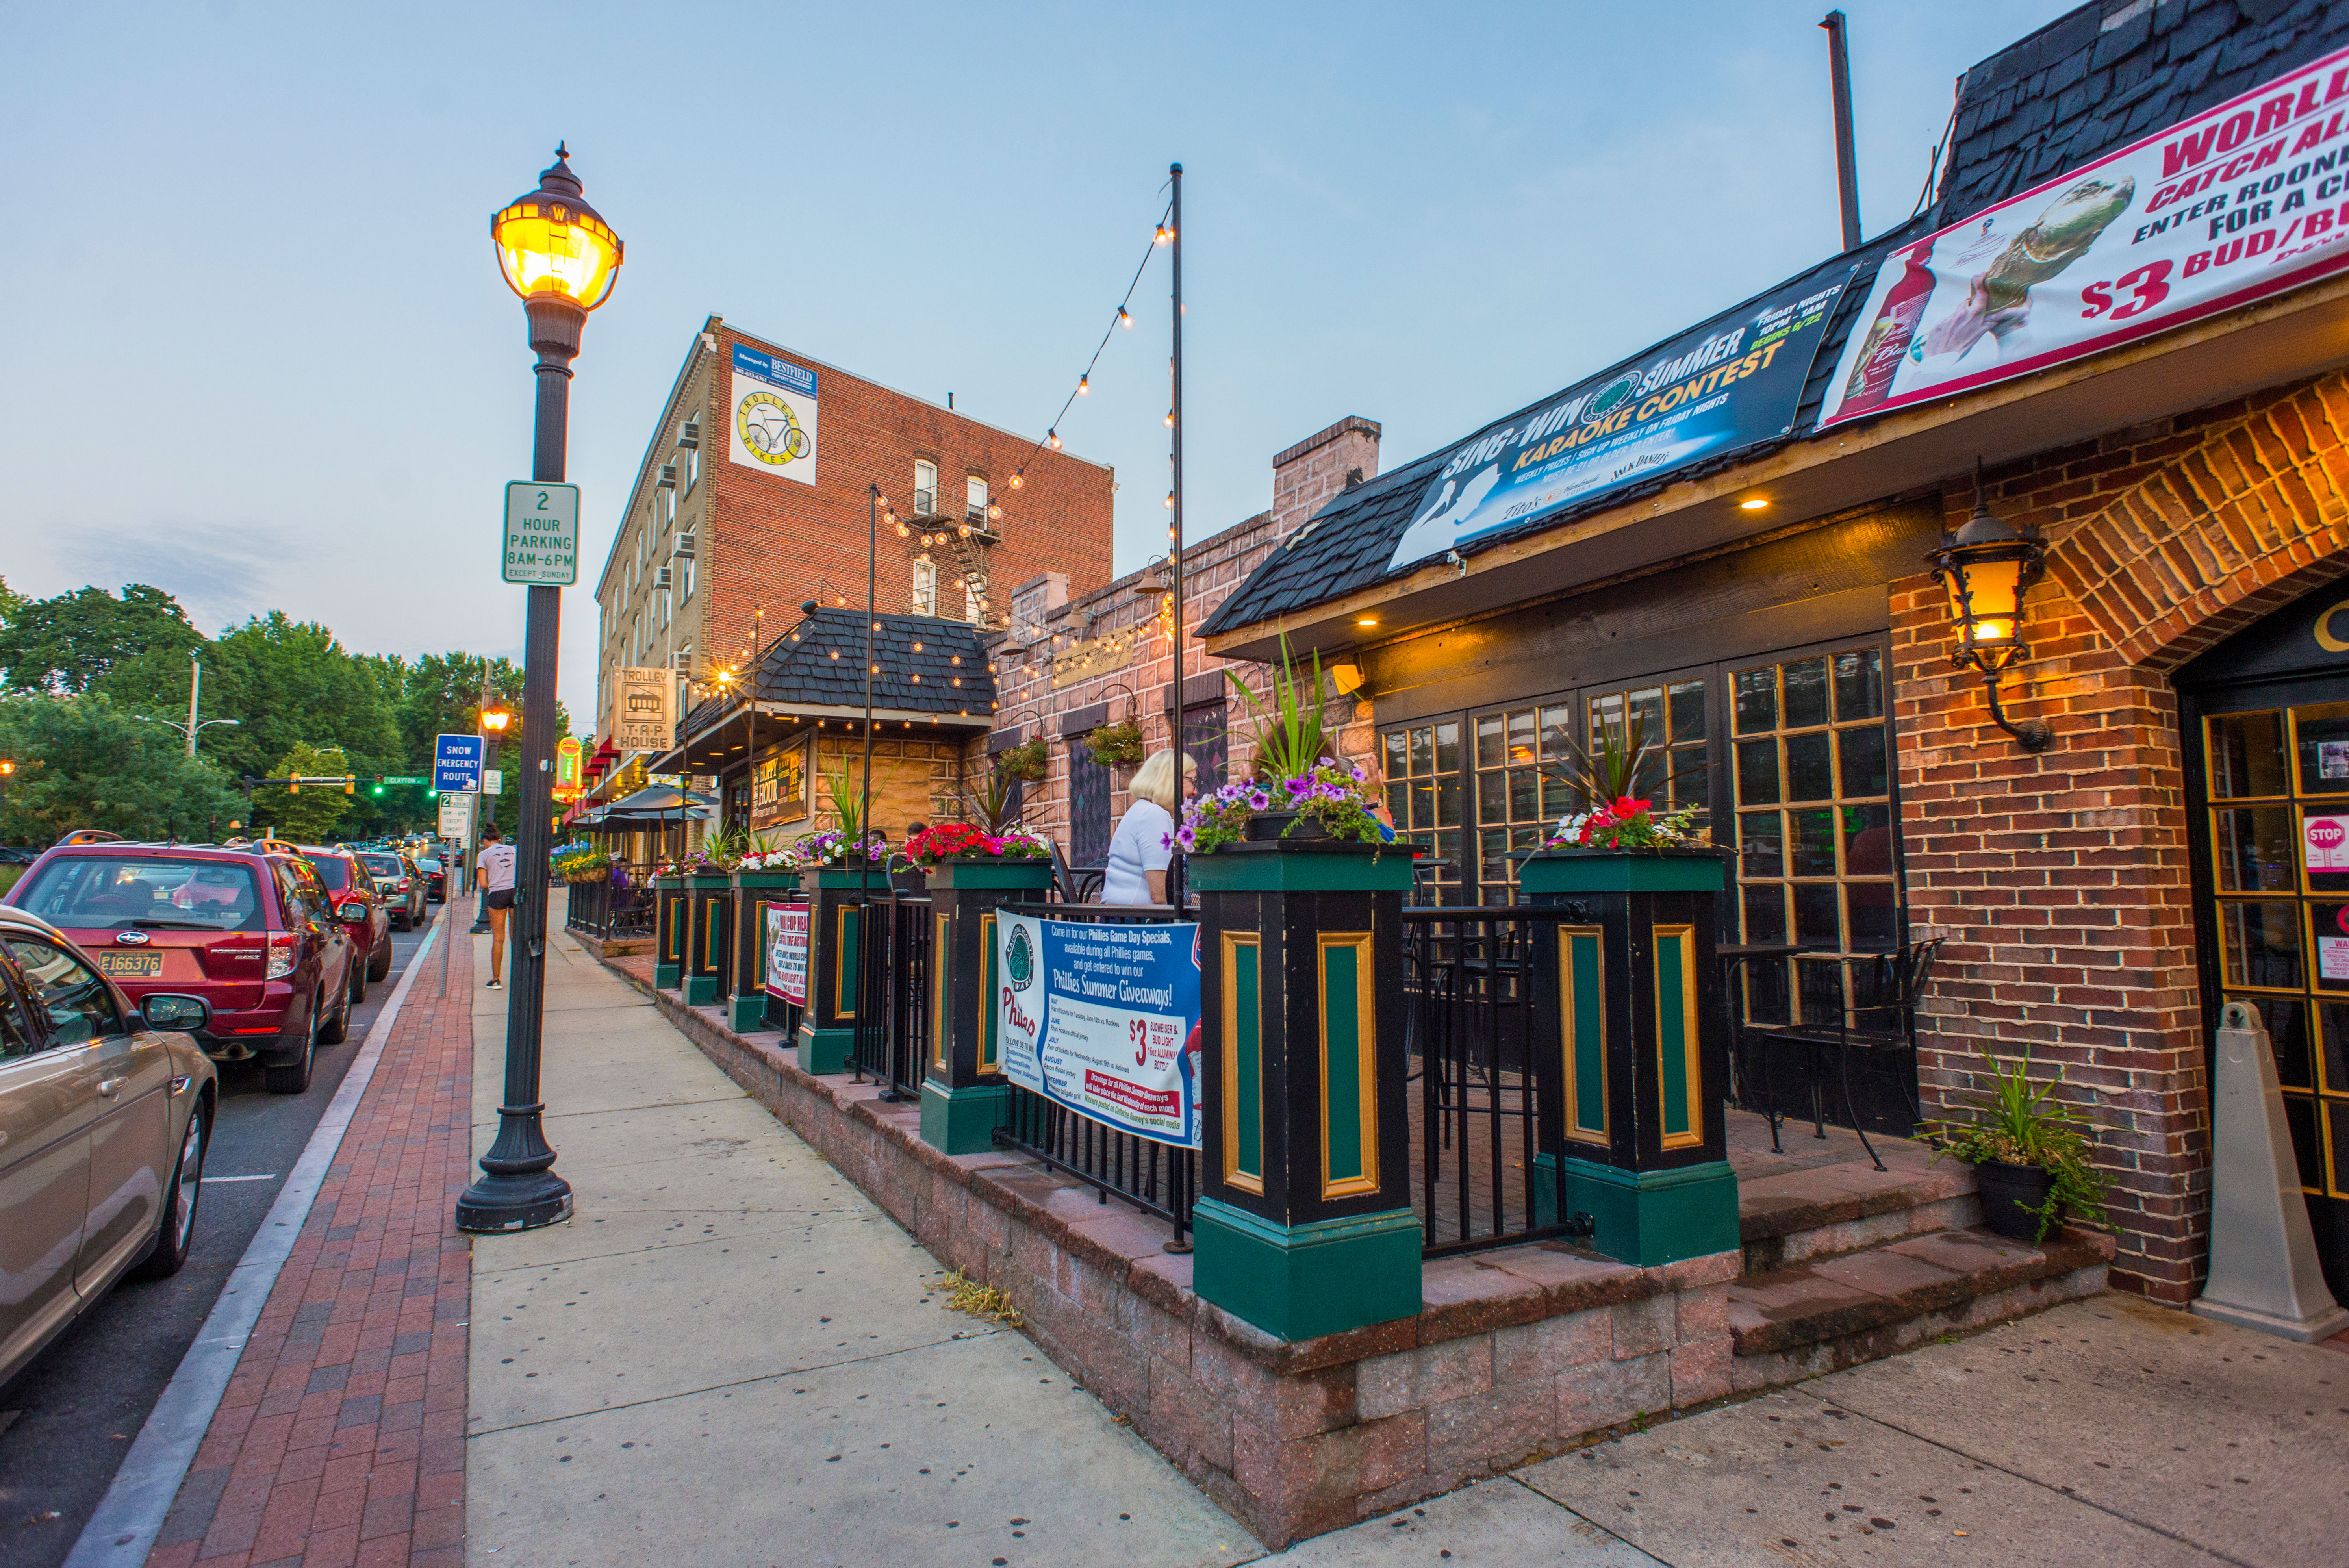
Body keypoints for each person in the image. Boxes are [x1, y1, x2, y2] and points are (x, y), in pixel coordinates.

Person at [1101, 749, 1196, 906]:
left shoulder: (1143, 810)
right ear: (1171, 780)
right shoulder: (1154, 815)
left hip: (1123, 918)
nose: (1195, 791)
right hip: (1140, 923)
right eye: (1193, 781)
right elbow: (1160, 895)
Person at [477, 821, 517, 989]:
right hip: (515, 892)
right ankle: (519, 976)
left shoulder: (484, 854)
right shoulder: (514, 850)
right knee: (516, 936)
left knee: (499, 939)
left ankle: (496, 979)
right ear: (499, 839)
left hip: (498, 894)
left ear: (485, 841)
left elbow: (484, 884)